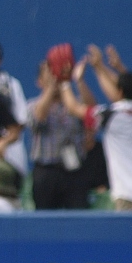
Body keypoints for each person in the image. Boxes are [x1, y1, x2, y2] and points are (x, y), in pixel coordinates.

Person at [60, 49, 132, 210]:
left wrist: (65, 81)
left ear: (120, 91)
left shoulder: (110, 117)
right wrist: (99, 67)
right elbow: (130, 91)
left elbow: (74, 108)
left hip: (130, 196)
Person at [27, 59, 90, 209]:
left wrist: (77, 81)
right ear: (39, 81)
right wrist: (51, 87)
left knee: (78, 219)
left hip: (74, 171)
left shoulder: (74, 104)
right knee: (45, 220)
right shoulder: (32, 105)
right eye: (49, 75)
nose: (54, 78)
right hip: (46, 171)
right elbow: (38, 117)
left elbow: (90, 110)